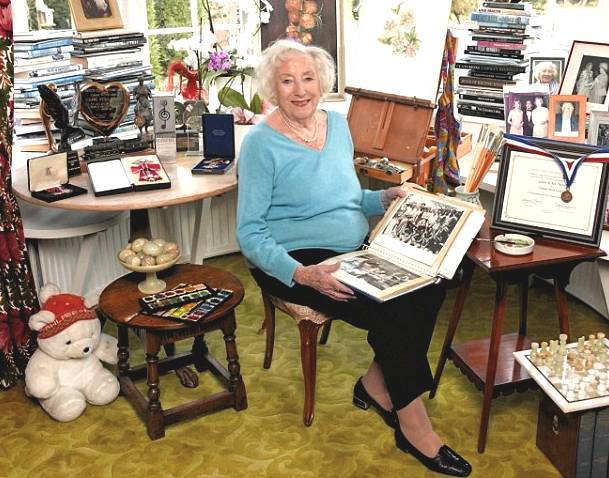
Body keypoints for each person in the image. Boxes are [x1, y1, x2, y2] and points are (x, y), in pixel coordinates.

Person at [236, 39, 472, 477]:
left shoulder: (339, 124)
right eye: (287, 81)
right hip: (296, 259)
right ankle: (413, 425)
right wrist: (301, 275)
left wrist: (384, 197)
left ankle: (375, 385)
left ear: (322, 82)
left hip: (355, 250)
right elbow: (249, 233)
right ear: (273, 87)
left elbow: (347, 197)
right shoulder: (259, 145)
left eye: (308, 78)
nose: (300, 89)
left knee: (436, 279)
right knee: (396, 308)